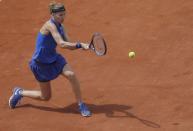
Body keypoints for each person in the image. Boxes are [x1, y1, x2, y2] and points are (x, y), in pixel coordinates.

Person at [8, 2, 91, 117]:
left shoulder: (61, 27)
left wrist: (83, 46)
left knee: (71, 75)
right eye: (60, 15)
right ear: (52, 14)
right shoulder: (49, 25)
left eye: (64, 14)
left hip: (54, 59)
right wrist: (80, 45)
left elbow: (68, 44)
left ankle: (81, 104)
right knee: (45, 97)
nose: (63, 18)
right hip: (40, 64)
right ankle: (20, 92)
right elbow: (61, 44)